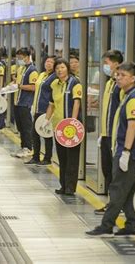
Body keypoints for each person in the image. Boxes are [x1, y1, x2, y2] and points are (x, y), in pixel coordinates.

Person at [86, 62, 135, 237]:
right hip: (127, 150)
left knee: (117, 188)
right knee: (129, 189)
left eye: (123, 75)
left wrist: (126, 152)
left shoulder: (134, 98)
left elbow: (132, 127)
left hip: (130, 152)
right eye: (117, 75)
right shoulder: (126, 95)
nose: (118, 78)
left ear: (133, 78)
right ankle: (132, 225)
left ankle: (106, 225)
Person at [45, 58, 83, 195]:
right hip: (58, 128)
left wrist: (72, 122)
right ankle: (63, 185)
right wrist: (46, 120)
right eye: (57, 68)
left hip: (71, 128)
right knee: (62, 157)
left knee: (72, 157)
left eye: (62, 67)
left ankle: (70, 187)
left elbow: (77, 103)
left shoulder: (75, 83)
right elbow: (51, 104)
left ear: (67, 68)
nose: (59, 70)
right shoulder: (54, 84)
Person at [95, 50, 123, 215]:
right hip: (106, 135)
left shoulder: (121, 87)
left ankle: (116, 205)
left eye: (108, 63)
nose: (105, 66)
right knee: (107, 171)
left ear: (117, 64)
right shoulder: (109, 84)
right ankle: (112, 203)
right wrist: (102, 133)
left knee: (115, 173)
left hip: (115, 137)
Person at [26, 55, 57, 166]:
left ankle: (47, 158)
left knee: (46, 134)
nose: (48, 64)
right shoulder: (42, 74)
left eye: (51, 62)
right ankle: (36, 156)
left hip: (46, 110)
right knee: (35, 133)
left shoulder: (54, 77)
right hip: (37, 108)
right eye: (47, 61)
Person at [12, 48, 38, 158]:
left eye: (21, 57)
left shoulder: (32, 70)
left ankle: (28, 147)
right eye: (18, 58)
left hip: (25, 103)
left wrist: (19, 86)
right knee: (20, 127)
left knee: (26, 127)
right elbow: (16, 82)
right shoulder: (21, 69)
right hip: (17, 102)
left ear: (27, 57)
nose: (19, 59)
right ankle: (23, 146)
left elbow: (33, 87)